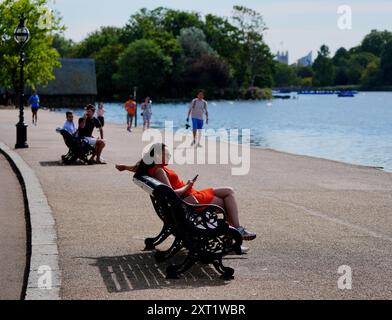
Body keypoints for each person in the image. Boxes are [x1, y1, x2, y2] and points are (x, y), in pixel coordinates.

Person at [116, 143, 256, 245]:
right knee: (226, 201)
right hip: (188, 202)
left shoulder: (152, 168)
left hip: (188, 197)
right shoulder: (159, 170)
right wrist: (188, 185)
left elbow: (138, 168)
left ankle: (235, 233)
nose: (169, 155)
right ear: (158, 155)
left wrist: (125, 168)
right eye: (167, 153)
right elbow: (172, 193)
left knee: (228, 191)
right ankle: (236, 233)